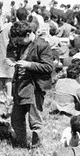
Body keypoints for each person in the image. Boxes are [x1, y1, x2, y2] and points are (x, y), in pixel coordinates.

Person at [11, 20, 59, 148]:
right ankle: (20, 144)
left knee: (35, 120)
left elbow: (48, 67)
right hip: (21, 86)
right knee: (16, 118)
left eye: (20, 40)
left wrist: (29, 65)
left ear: (28, 34)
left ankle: (36, 147)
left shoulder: (42, 45)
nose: (18, 43)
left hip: (34, 87)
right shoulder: (22, 44)